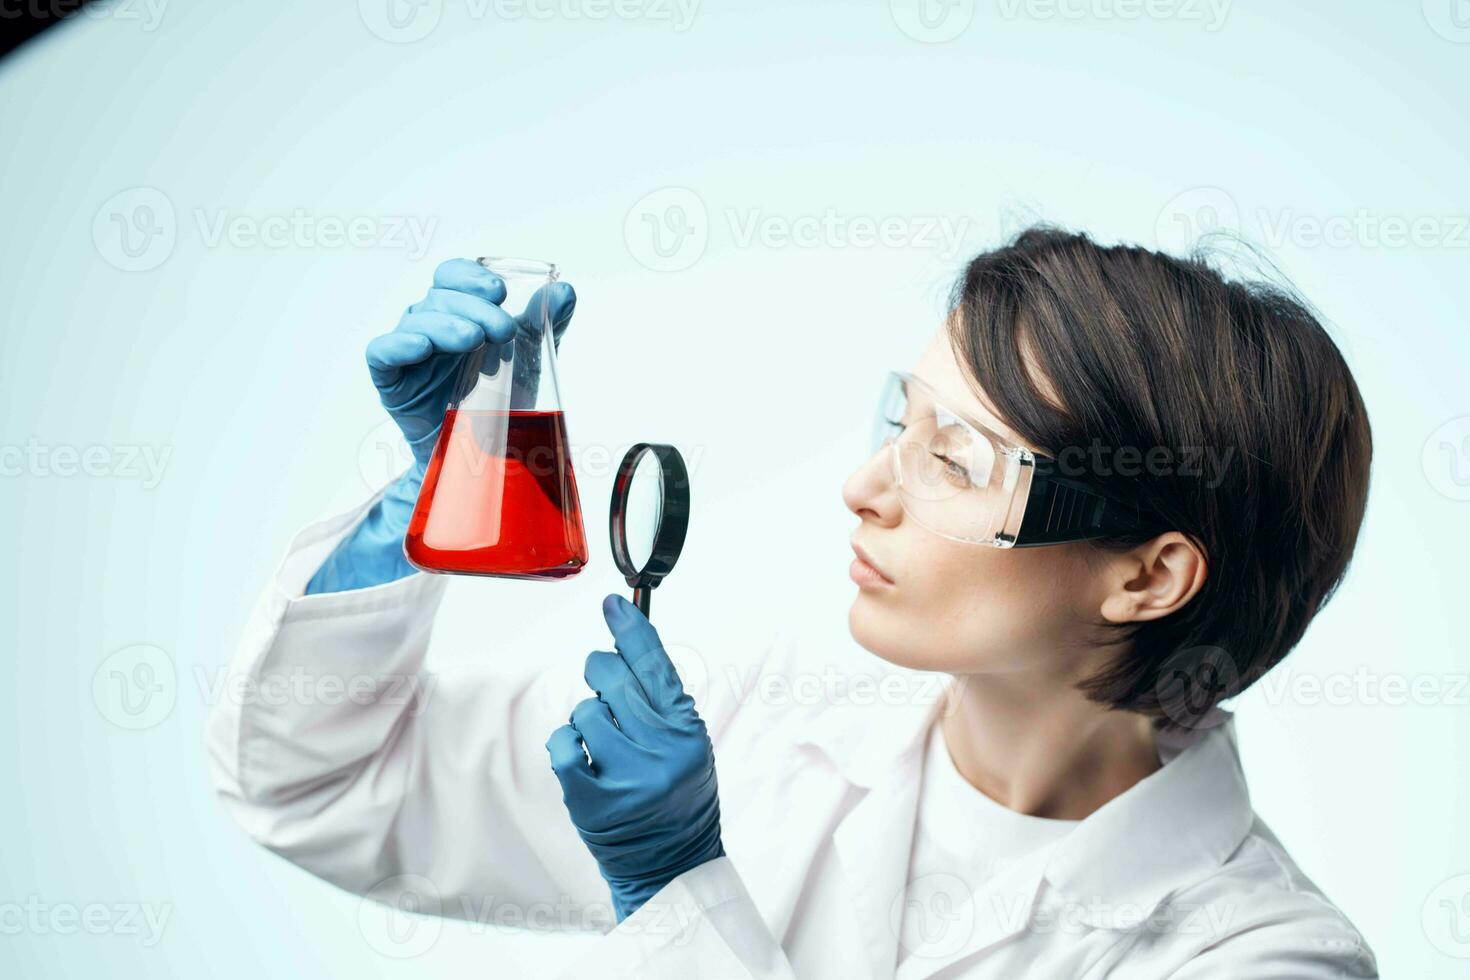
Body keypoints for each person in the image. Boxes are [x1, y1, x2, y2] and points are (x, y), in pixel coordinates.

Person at [206, 228, 1378, 978]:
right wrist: (432, 491)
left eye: (957, 460)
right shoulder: (778, 691)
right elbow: (325, 778)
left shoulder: (1263, 957)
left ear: (1148, 576)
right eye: (899, 423)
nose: (865, 488)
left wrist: (676, 887)